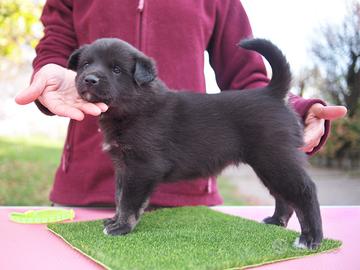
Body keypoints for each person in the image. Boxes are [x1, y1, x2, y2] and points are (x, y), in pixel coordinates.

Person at [15, 0, 346, 207]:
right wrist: (50, 69)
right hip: (84, 194)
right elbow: (56, 43)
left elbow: (249, 80)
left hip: (187, 191)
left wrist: (296, 110)